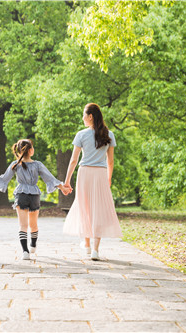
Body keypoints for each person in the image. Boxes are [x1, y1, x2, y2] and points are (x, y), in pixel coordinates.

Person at [0, 139, 70, 260]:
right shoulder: (37, 164)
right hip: (34, 196)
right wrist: (62, 187)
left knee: (23, 225)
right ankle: (33, 245)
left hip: (21, 195)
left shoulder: (15, 164)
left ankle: (25, 252)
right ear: (31, 150)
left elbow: (3, 178)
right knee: (33, 225)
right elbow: (50, 178)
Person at [63, 103, 122, 261]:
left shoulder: (81, 135)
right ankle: (95, 250)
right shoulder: (109, 134)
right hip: (101, 174)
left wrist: (67, 181)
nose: (82, 118)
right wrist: (108, 178)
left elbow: (73, 160)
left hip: (85, 173)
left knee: (85, 207)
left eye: (84, 114)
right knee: (99, 209)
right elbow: (110, 161)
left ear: (90, 116)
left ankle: (87, 246)